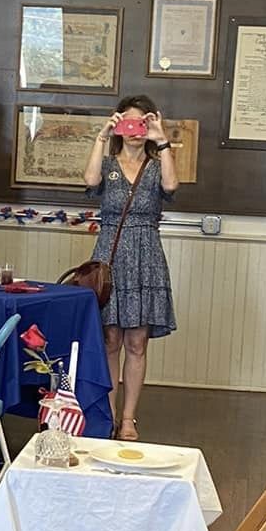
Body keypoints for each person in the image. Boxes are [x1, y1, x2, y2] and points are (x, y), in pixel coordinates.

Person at [82, 93, 178, 441]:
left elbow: (170, 185)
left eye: (142, 122)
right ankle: (105, 415)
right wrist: (101, 137)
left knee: (137, 342)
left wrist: (161, 139)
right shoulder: (108, 165)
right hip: (110, 251)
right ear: (119, 125)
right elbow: (91, 180)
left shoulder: (155, 165)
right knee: (110, 339)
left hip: (146, 254)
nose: (136, 130)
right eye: (129, 122)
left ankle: (128, 419)